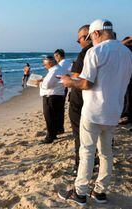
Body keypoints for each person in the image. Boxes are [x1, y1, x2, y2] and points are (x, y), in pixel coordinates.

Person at [58, 19, 132, 206]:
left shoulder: (95, 51)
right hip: (114, 110)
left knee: (87, 152)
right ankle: (100, 191)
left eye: (91, 37)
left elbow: (85, 83)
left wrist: (68, 82)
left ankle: (80, 193)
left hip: (93, 111)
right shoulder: (127, 53)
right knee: (106, 153)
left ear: (96, 33)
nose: (91, 40)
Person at [68, 25, 94, 175]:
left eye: (79, 40)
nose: (79, 43)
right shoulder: (104, 52)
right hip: (99, 100)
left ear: (86, 37)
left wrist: (68, 80)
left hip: (81, 98)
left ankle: (79, 165)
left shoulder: (85, 54)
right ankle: (94, 161)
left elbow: (77, 78)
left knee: (79, 133)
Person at [36, 56, 65, 144]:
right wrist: (43, 80)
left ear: (51, 63)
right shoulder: (59, 68)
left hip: (51, 96)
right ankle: (54, 134)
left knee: (49, 117)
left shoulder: (54, 70)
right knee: (55, 116)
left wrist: (40, 83)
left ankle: (50, 137)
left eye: (45, 64)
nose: (44, 66)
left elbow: (47, 85)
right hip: (58, 95)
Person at [53, 49, 71, 134]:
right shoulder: (68, 62)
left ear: (58, 56)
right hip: (64, 87)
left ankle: (59, 128)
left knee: (58, 109)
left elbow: (58, 76)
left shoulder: (62, 64)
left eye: (55, 57)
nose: (55, 59)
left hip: (61, 88)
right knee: (60, 108)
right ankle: (60, 127)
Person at [119, 36, 132, 125]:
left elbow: (118, 45)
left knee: (127, 96)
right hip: (127, 75)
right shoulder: (126, 50)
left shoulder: (125, 49)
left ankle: (126, 115)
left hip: (127, 76)